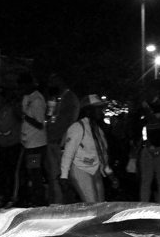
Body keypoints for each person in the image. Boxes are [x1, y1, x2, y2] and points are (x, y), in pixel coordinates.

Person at [59, 94, 119, 205]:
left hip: (95, 169)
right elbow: (68, 153)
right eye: (98, 108)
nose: (101, 111)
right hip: (80, 168)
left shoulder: (98, 130)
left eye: (101, 108)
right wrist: (64, 176)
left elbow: (101, 154)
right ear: (88, 111)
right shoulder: (77, 127)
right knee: (93, 206)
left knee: (100, 206)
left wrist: (109, 173)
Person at [44, 73, 80, 204]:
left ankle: (65, 204)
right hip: (51, 140)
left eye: (52, 81)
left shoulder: (70, 98)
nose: (49, 85)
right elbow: (50, 118)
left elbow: (69, 122)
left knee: (64, 175)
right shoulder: (54, 98)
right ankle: (56, 202)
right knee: (53, 175)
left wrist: (63, 140)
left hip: (62, 143)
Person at [0, 88, 22, 208]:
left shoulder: (8, 110)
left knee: (12, 172)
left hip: (14, 145)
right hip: (2, 146)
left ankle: (13, 197)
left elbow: (4, 128)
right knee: (2, 172)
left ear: (3, 100)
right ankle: (1, 197)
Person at [18, 73, 47, 206]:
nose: (22, 88)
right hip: (27, 142)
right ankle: (33, 198)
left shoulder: (37, 100)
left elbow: (39, 123)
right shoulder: (26, 97)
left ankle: (39, 200)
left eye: (24, 85)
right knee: (30, 172)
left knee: (35, 172)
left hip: (36, 144)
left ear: (30, 84)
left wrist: (24, 116)